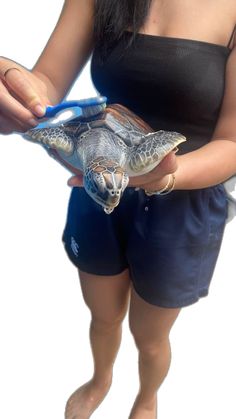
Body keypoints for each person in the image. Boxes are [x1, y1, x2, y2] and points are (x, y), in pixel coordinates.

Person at [1, 1, 236, 418]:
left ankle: (146, 398)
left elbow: (232, 143)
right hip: (98, 179)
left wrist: (165, 176)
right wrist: (13, 84)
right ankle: (101, 378)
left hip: (185, 194)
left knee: (150, 337)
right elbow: (45, 87)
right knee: (103, 314)